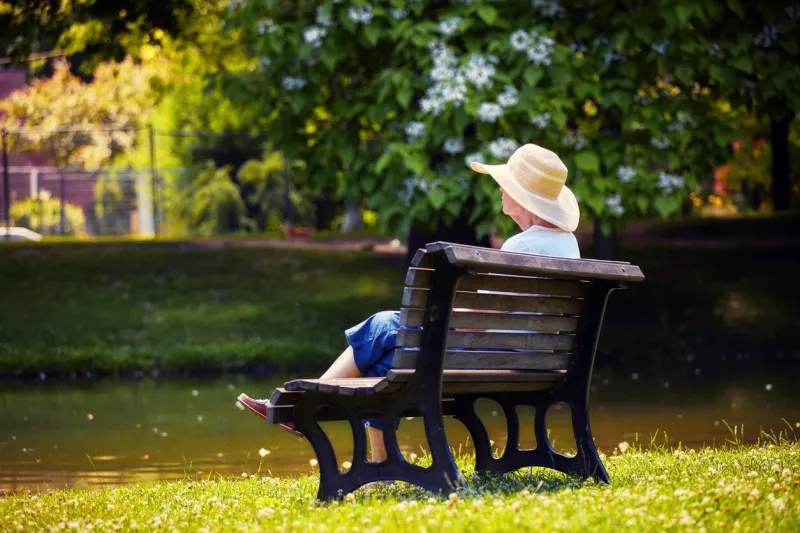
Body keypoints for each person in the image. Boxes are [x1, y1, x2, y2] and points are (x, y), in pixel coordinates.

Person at [237, 143, 581, 461]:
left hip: (492, 358)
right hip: (534, 362)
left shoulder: (521, 249)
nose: (501, 189)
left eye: (506, 184)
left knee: (383, 325)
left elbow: (481, 320)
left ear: (521, 199)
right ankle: (376, 464)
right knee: (388, 356)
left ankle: (303, 406)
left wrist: (436, 317)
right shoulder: (567, 248)